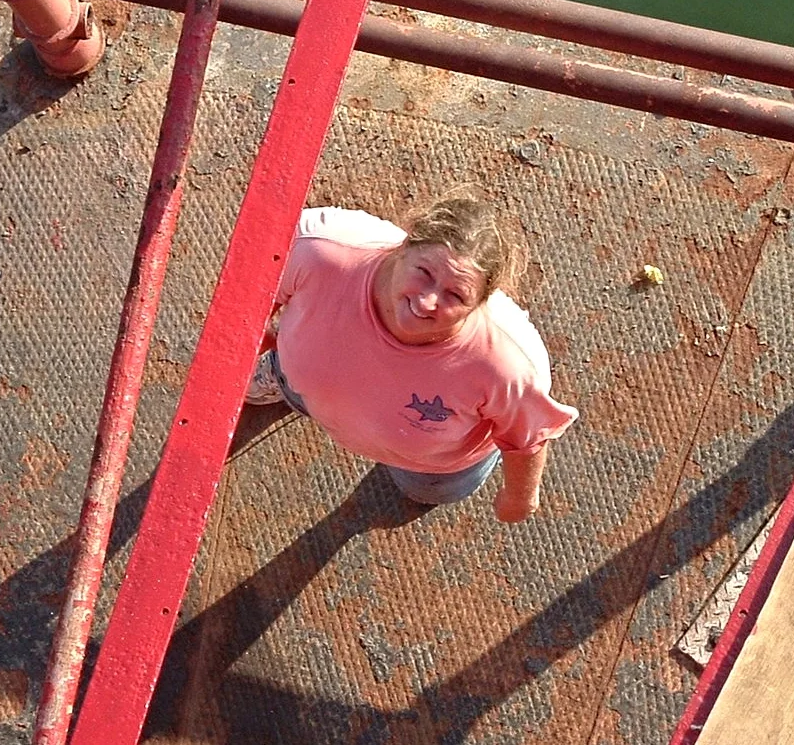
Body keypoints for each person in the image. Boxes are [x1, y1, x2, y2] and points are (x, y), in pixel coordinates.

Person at [244, 194, 578, 522]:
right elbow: (252, 300)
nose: (428, 301)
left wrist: (519, 498)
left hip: (431, 466)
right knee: (295, 383)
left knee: (426, 490)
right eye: (424, 272)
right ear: (404, 246)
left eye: (455, 295)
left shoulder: (510, 366)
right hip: (303, 386)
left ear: (480, 303)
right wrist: (261, 345)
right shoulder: (317, 248)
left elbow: (527, 440)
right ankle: (281, 377)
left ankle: (420, 489)